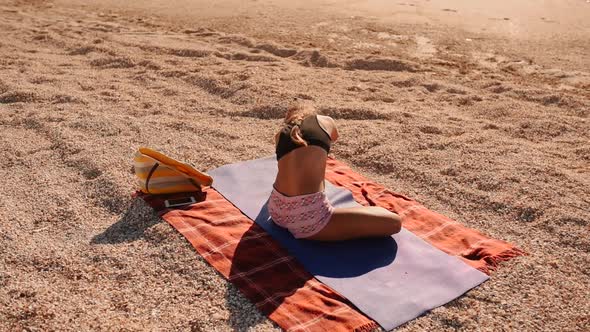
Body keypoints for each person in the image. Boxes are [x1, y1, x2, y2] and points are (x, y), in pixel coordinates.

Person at [267, 103, 401, 241]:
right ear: (311, 113)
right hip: (310, 216)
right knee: (394, 222)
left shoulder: (279, 136)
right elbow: (335, 136)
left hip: (276, 209)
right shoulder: (324, 121)